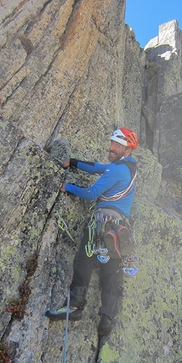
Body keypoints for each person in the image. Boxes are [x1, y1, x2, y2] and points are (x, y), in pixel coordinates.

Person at [45, 128, 138, 336]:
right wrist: (74, 162)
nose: (112, 148)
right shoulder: (127, 169)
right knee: (110, 270)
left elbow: (92, 193)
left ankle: (75, 306)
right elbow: (99, 168)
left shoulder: (117, 169)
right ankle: (107, 317)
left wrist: (67, 187)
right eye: (112, 143)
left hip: (102, 221)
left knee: (84, 259)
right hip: (121, 224)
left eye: (118, 146)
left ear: (128, 150)